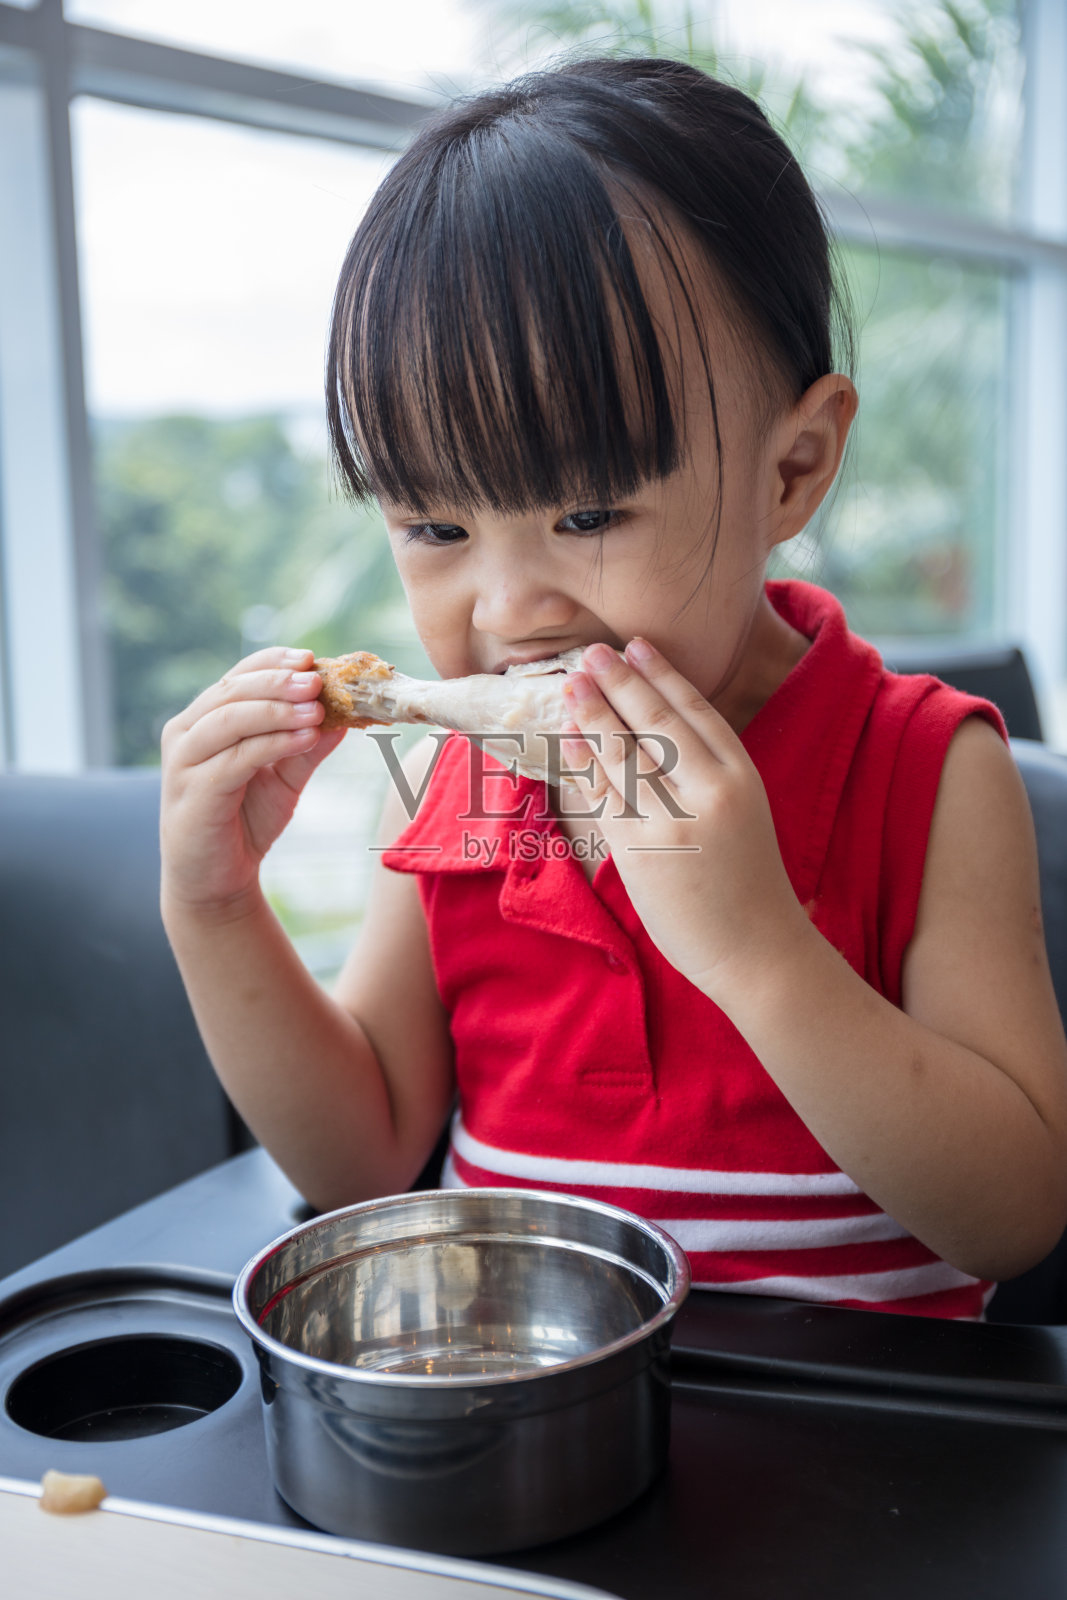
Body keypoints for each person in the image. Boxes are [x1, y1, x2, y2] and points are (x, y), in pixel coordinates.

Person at [160, 55, 1067, 1319]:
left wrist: (755, 948)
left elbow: (1013, 1214)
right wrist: (214, 908)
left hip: (868, 1464)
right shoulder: (445, 782)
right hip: (531, 1425)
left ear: (792, 470)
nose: (508, 611)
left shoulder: (932, 773)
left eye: (585, 512)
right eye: (432, 528)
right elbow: (360, 1156)